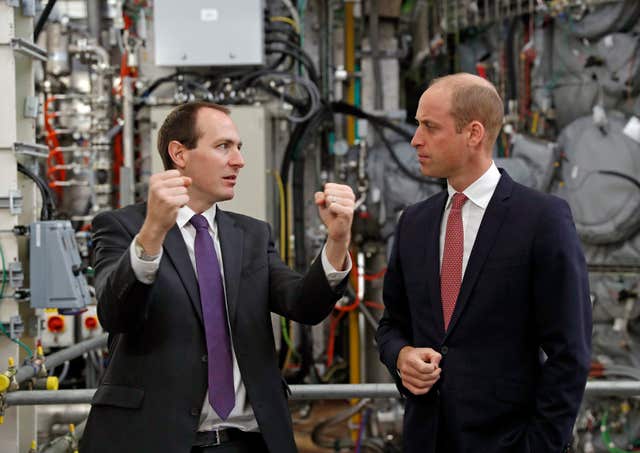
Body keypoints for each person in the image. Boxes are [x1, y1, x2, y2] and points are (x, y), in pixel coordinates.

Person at [80, 101, 355, 453]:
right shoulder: (123, 228)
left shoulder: (252, 235)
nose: (238, 160)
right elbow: (115, 313)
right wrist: (152, 233)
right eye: (224, 146)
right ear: (179, 153)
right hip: (156, 440)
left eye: (239, 147)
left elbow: (303, 304)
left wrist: (337, 240)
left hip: (247, 442)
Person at [376, 73, 591, 453]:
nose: (415, 140)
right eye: (417, 126)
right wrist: (401, 356)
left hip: (509, 443)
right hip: (425, 440)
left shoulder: (541, 220)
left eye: (429, 126)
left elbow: (569, 353)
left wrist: (538, 446)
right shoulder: (414, 223)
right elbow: (393, 325)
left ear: (473, 133)